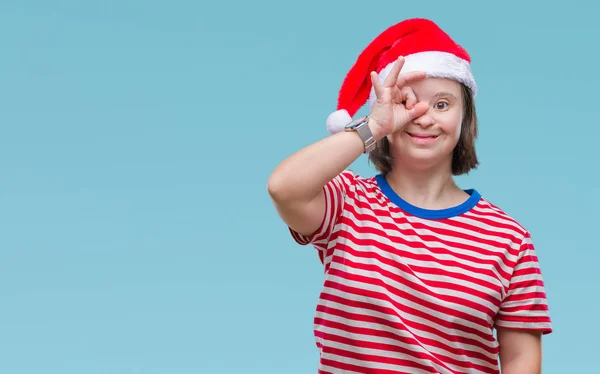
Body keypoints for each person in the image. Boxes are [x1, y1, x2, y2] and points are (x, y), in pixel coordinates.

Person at [267, 18, 552, 374]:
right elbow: (284, 188)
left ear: (466, 119)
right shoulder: (347, 202)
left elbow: (522, 360)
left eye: (443, 105)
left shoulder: (509, 239)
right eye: (408, 102)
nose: (423, 117)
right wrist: (374, 126)